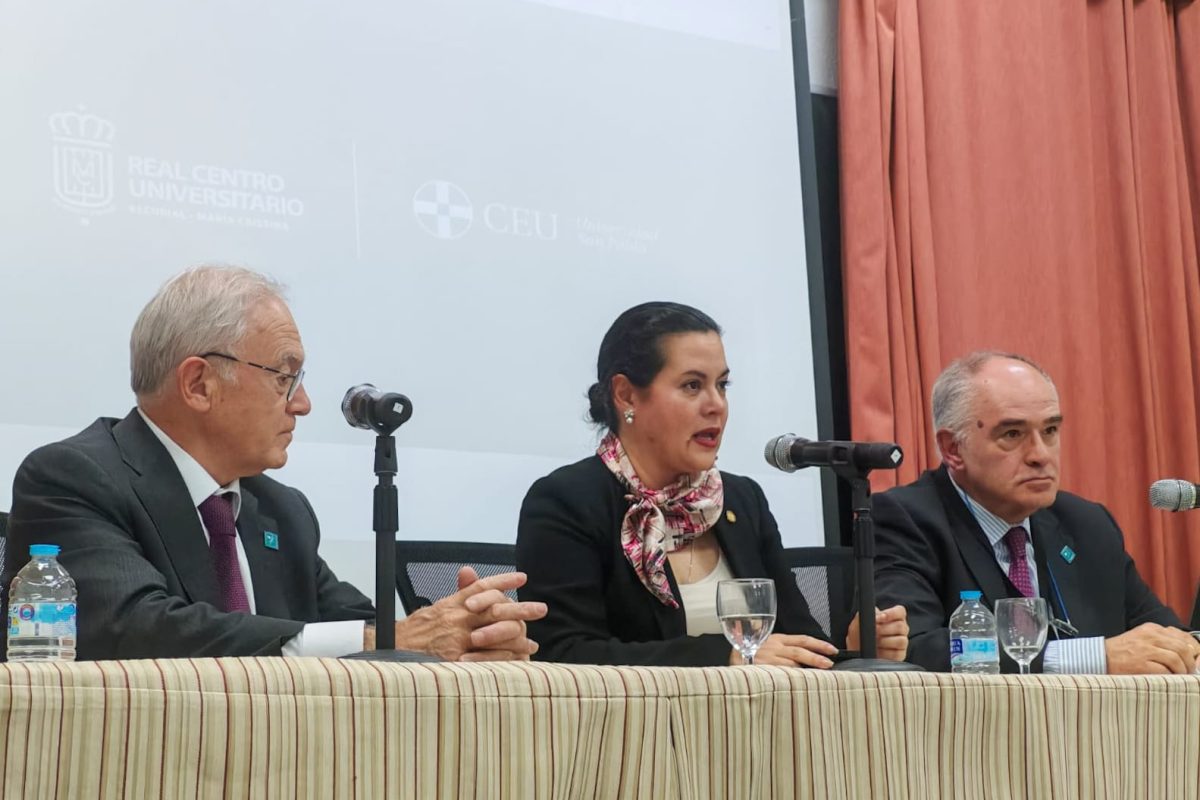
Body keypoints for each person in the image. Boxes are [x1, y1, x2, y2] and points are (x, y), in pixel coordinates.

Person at [5, 265, 546, 661]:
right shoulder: (73, 478)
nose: (302, 404)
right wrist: (394, 640)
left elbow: (361, 626)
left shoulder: (280, 510)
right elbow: (134, 628)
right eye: (284, 377)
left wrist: (469, 634)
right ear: (199, 384)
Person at [516, 302, 909, 667]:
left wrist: (853, 648)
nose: (716, 405)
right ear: (627, 395)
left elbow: (797, 641)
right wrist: (728, 656)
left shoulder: (741, 500)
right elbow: (563, 654)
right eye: (692, 385)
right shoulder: (567, 502)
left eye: (722, 385)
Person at [873, 350, 1200, 673]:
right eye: (1012, 434)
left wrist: (1185, 653)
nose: (1040, 455)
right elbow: (913, 648)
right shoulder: (906, 520)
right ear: (953, 448)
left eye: (1050, 431)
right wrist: (1095, 657)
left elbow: (1168, 637)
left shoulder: (1088, 524)